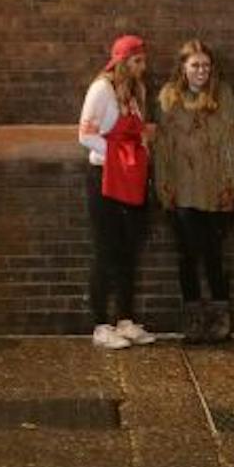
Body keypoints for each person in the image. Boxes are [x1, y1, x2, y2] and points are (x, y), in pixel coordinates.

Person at [155, 40, 234, 345]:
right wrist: (164, 185)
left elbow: (229, 141)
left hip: (214, 186)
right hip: (181, 187)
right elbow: (162, 146)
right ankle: (192, 317)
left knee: (214, 254)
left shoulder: (222, 95)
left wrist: (229, 183)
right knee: (187, 254)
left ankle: (220, 317)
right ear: (183, 68)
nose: (201, 71)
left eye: (206, 65)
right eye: (195, 65)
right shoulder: (169, 98)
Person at [77, 34, 156, 350]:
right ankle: (100, 323)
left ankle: (125, 318)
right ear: (122, 62)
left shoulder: (133, 92)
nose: (142, 67)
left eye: (143, 61)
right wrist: (120, 155)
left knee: (127, 249)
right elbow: (85, 134)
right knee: (107, 249)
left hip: (129, 177)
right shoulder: (101, 89)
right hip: (105, 177)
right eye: (137, 61)